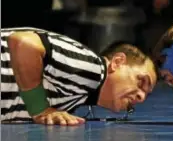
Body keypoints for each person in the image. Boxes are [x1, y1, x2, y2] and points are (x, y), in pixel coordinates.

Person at [1, 27, 157, 125]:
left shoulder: (77, 97)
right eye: (141, 81)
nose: (141, 97)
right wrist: (40, 109)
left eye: (146, 94)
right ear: (117, 62)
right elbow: (22, 42)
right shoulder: (93, 69)